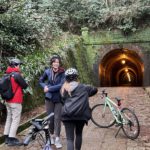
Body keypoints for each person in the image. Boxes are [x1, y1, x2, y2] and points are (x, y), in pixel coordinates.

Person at [61, 68, 98, 150]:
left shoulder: (64, 89)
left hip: (67, 115)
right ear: (77, 77)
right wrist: (87, 94)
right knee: (78, 134)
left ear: (66, 78)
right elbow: (95, 89)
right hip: (80, 115)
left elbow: (63, 100)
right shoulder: (85, 87)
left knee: (69, 139)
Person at [39, 55, 65, 149]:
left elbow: (61, 85)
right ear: (51, 63)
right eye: (54, 62)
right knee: (50, 119)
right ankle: (52, 135)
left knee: (57, 118)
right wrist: (44, 86)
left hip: (58, 98)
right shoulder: (47, 71)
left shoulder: (62, 72)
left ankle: (57, 138)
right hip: (49, 98)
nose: (56, 64)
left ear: (59, 63)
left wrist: (48, 88)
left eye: (58, 62)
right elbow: (41, 80)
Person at [3, 58, 28, 146]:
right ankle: (11, 138)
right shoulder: (17, 75)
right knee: (15, 119)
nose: (19, 66)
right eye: (18, 65)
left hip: (7, 100)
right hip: (15, 101)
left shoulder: (6, 74)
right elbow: (25, 85)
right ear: (15, 65)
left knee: (9, 118)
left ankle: (6, 137)